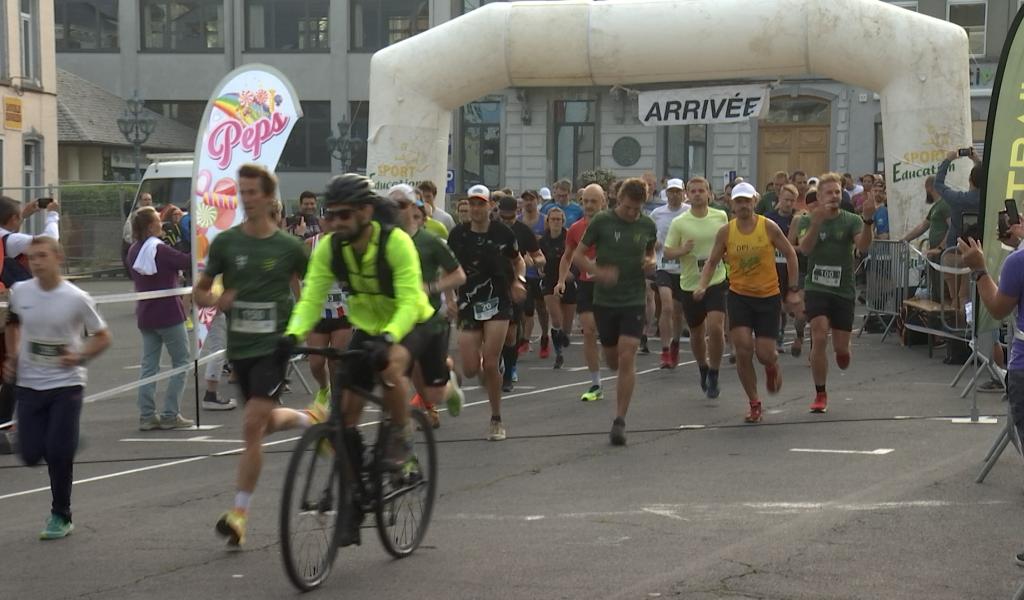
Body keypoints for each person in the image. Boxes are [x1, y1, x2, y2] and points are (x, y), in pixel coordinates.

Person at [193, 164, 321, 548]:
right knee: (262, 423)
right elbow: (199, 292)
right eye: (242, 192)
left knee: (251, 425)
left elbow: (313, 290)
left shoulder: (289, 248)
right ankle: (310, 418)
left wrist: (304, 327)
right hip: (241, 350)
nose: (246, 199)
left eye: (253, 192)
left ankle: (239, 515)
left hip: (275, 347)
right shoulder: (227, 244)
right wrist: (217, 299)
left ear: (268, 197)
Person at [5, 237, 111, 539]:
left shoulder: (77, 297)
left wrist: (78, 356)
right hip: (29, 383)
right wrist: (13, 355)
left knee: (58, 452)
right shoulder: (20, 291)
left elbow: (103, 337)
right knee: (29, 454)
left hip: (66, 383)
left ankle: (61, 515)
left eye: (42, 256)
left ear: (58, 258)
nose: (36, 262)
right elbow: (12, 323)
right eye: (32, 257)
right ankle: (68, 437)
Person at [694, 182, 802, 424]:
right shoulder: (726, 232)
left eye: (746, 200)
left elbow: (790, 254)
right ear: (732, 204)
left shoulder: (768, 226)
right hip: (739, 296)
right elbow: (712, 262)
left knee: (764, 354)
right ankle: (754, 403)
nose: (743, 205)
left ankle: (772, 365)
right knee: (743, 349)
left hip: (767, 297)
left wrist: (793, 289)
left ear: (755, 201)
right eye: (738, 201)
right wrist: (702, 285)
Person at [573, 178, 657, 445]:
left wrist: (650, 262)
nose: (632, 213)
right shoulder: (602, 222)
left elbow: (651, 253)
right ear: (619, 200)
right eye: (628, 207)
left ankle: (619, 420)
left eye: (637, 209)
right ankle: (610, 361)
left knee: (627, 354)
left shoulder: (647, 225)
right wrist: (598, 272)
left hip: (633, 298)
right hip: (605, 300)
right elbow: (578, 256)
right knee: (612, 360)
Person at [447, 185, 526, 441]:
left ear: (490, 206)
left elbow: (518, 260)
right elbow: (446, 268)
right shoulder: (458, 235)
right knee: (471, 369)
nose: (476, 208)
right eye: (472, 203)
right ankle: (484, 373)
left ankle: (496, 419)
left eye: (481, 203)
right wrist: (449, 298)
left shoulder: (503, 233)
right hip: (468, 302)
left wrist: (519, 281)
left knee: (491, 362)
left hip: (498, 300)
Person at [796, 172, 875, 413]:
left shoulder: (851, 220)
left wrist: (868, 220)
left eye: (837, 192)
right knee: (819, 335)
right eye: (829, 193)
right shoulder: (807, 220)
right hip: (816, 287)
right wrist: (817, 223)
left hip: (843, 289)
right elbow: (805, 249)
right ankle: (820, 393)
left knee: (841, 350)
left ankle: (843, 351)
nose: (834, 196)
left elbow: (863, 246)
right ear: (819, 197)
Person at [394, 189, 467, 428]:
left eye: (403, 205)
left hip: (430, 316)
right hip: (399, 318)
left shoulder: (430, 241)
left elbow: (456, 274)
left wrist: (435, 290)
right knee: (404, 369)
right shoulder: (387, 241)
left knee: (430, 385)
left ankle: (447, 382)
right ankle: (415, 416)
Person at [127, 207, 194, 431]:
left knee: (149, 366)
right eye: (157, 220)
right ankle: (170, 414)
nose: (161, 224)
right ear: (149, 227)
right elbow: (187, 261)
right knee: (181, 362)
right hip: (169, 314)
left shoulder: (133, 251)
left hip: (146, 314)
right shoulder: (160, 249)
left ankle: (146, 415)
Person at [664, 177, 729, 398]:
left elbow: (727, 243)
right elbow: (667, 252)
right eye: (693, 191)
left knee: (716, 327)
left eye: (702, 190)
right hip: (690, 283)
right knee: (697, 333)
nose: (698, 194)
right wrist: (682, 250)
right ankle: (703, 367)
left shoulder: (720, 216)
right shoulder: (680, 222)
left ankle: (715, 372)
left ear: (709, 194)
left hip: (716, 280)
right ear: (687, 195)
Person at [559, 184, 607, 402]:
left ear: (603, 202)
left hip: (611, 285)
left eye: (593, 201)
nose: (588, 205)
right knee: (588, 330)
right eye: (585, 201)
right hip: (587, 285)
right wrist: (561, 280)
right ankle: (596, 383)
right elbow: (567, 256)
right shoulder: (575, 229)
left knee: (610, 335)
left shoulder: (614, 225)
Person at [936, 148, 984, 312]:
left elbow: (938, 184)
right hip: (977, 252)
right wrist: (977, 161)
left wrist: (948, 160)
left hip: (953, 252)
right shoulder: (988, 200)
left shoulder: (958, 199)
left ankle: (954, 324)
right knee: (965, 296)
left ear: (970, 180)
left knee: (954, 296)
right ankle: (965, 325)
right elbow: (984, 176)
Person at [649, 178, 690, 368]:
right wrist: (653, 244)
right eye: (671, 192)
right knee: (666, 307)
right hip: (663, 266)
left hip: (683, 268)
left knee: (678, 313)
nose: (674, 195)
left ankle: (675, 343)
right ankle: (665, 351)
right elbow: (648, 235)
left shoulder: (689, 212)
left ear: (683, 193)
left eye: (677, 192)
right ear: (666, 193)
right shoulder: (657, 213)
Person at [901, 176, 950, 302]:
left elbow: (952, 227)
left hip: (942, 254)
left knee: (943, 287)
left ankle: (944, 310)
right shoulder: (936, 207)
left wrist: (941, 247)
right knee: (936, 286)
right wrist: (905, 239)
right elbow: (923, 226)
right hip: (936, 254)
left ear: (929, 188)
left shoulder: (945, 204)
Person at [538, 207, 576, 369]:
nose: (555, 222)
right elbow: (536, 257)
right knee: (556, 319)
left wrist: (572, 273)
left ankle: (564, 336)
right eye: (552, 219)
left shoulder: (569, 238)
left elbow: (577, 257)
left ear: (563, 221)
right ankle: (558, 353)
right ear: (548, 221)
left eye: (558, 219)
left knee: (566, 327)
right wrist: (539, 267)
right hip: (550, 281)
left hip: (568, 281)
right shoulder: (542, 241)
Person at [766, 184, 799, 351]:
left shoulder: (797, 219)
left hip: (789, 268)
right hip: (772, 267)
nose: (788, 203)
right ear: (779, 198)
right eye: (786, 200)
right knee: (776, 305)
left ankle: (784, 333)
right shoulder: (768, 218)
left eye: (792, 201)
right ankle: (776, 338)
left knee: (786, 307)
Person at [518, 190, 550, 358]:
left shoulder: (544, 221)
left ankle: (545, 336)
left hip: (540, 271)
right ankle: (525, 340)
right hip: (524, 271)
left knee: (542, 307)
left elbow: (549, 243)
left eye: (531, 199)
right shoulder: (518, 221)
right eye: (526, 200)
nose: (528, 202)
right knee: (526, 308)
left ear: (537, 201)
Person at [122, 193, 153, 269]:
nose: (148, 202)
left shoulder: (154, 214)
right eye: (145, 200)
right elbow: (128, 233)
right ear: (140, 201)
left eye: (149, 199)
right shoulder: (135, 215)